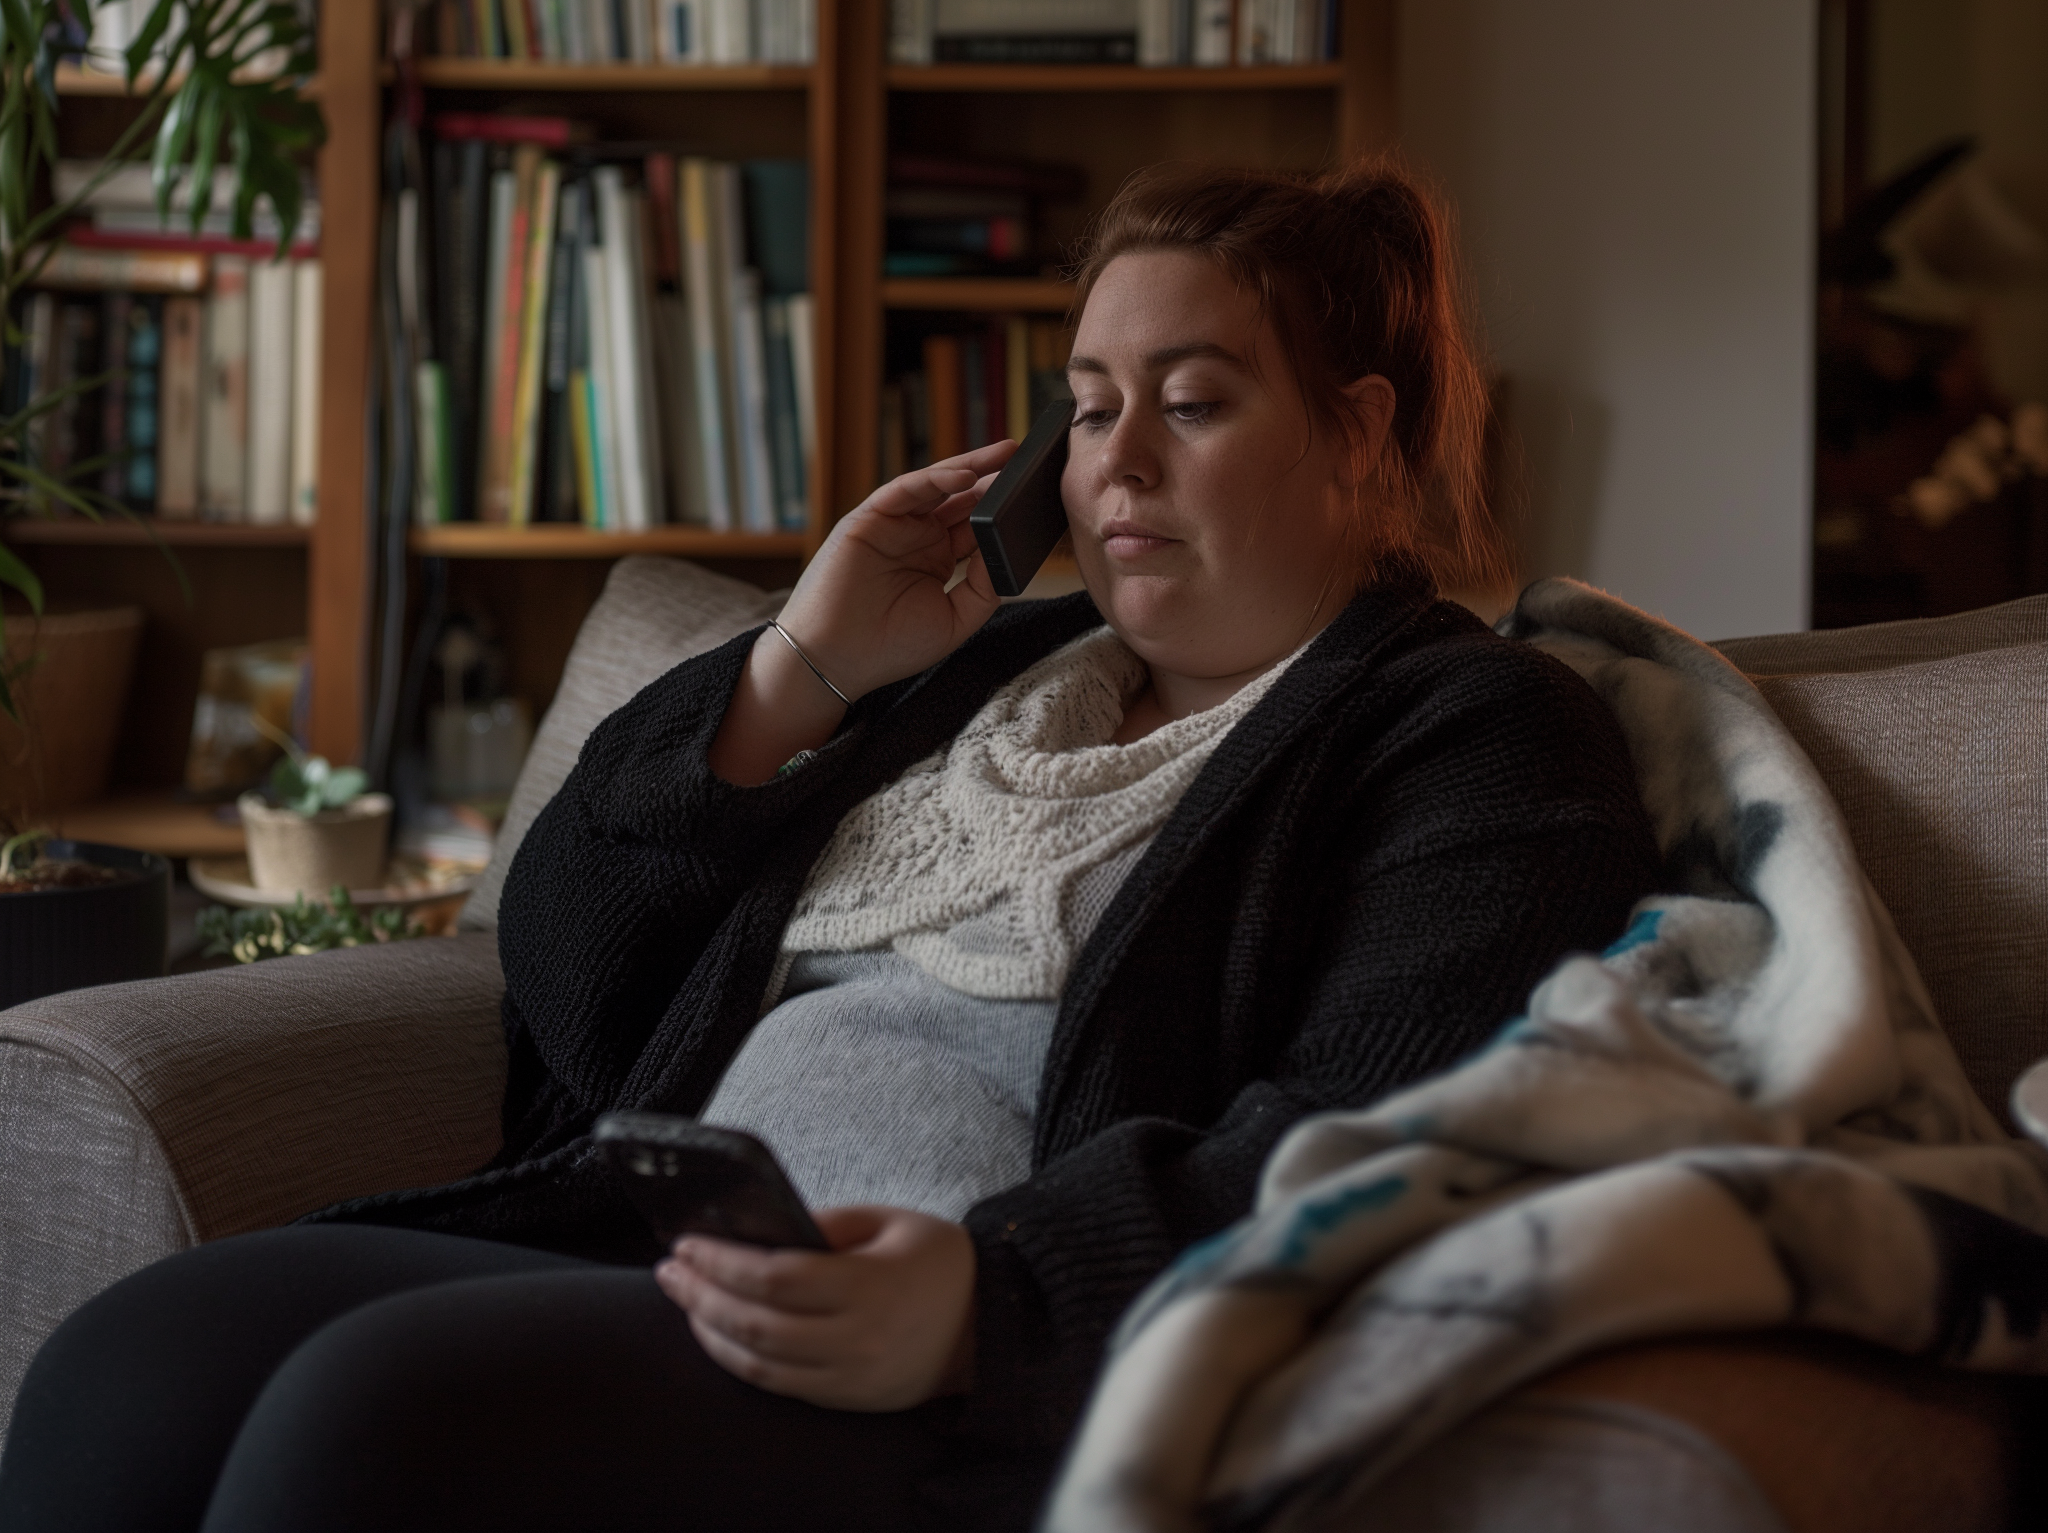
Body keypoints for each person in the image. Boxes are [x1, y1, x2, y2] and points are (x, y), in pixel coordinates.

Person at [0, 161, 1661, 1533]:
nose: (1119, 464)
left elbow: (1386, 1134)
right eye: (1087, 412)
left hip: (936, 1360)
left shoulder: (1471, 733)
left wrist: (990, 1302)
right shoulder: (985, 665)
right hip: (646, 1239)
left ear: (1360, 432)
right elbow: (568, 961)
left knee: (358, 1432)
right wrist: (804, 668)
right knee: (126, 1360)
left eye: (1196, 403)